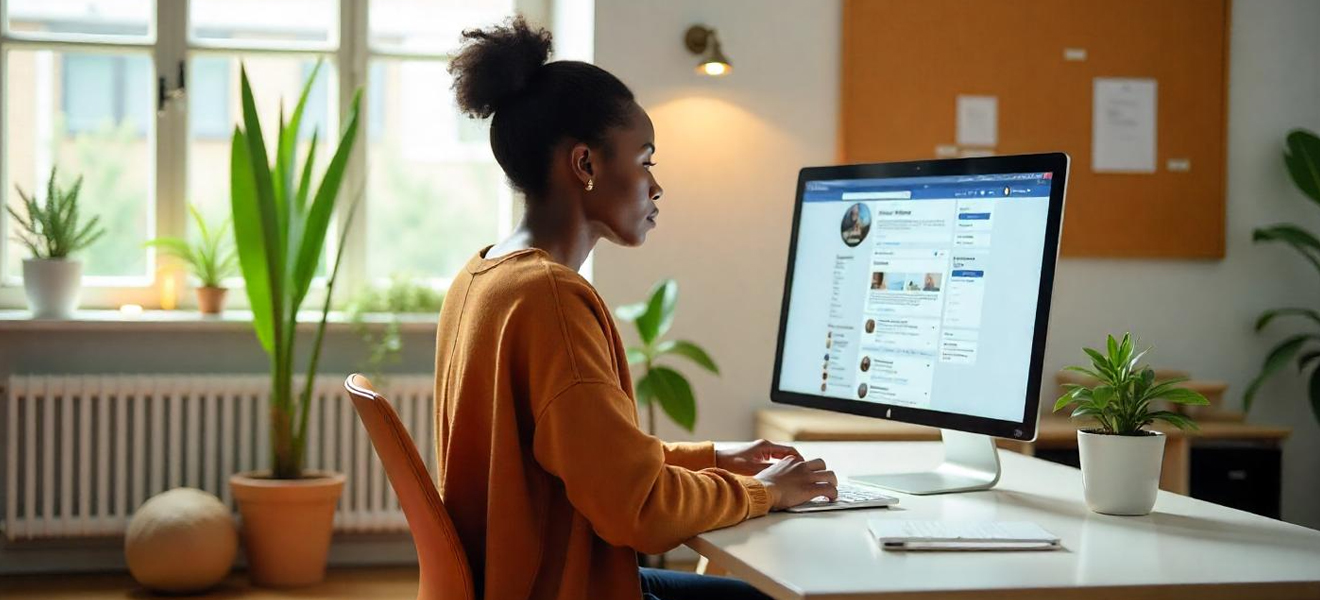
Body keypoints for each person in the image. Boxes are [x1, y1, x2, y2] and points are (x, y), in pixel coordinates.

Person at [433, 17, 838, 600]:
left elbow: (590, 456)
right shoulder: (551, 299)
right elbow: (639, 510)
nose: (655, 185)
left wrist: (716, 458)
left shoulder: (482, 275)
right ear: (586, 165)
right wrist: (767, 492)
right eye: (645, 159)